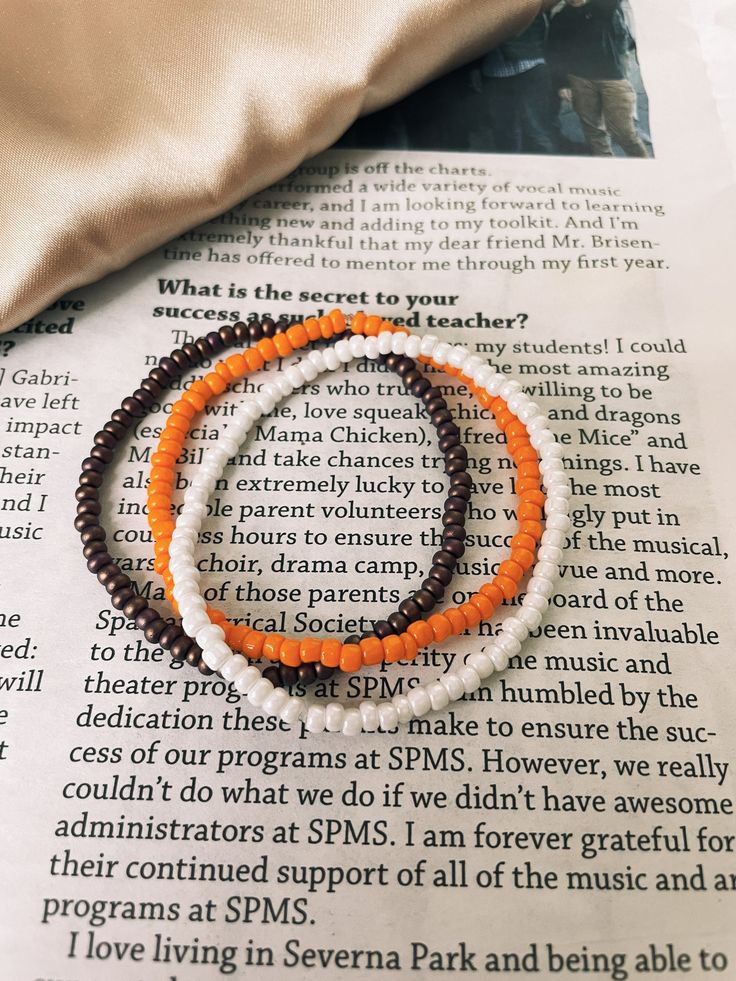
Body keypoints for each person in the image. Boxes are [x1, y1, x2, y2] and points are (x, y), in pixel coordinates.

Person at [548, 0, 649, 157]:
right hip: (579, 80)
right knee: (594, 133)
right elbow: (555, 54)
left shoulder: (602, 6)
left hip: (612, 78)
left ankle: (647, 171)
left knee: (624, 133)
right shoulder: (560, 18)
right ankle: (607, 171)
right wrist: (562, 84)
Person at [481, 14, 558, 154]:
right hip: (494, 73)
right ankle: (511, 172)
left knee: (536, 128)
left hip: (530, 67)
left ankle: (549, 171)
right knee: (504, 130)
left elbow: (542, 27)